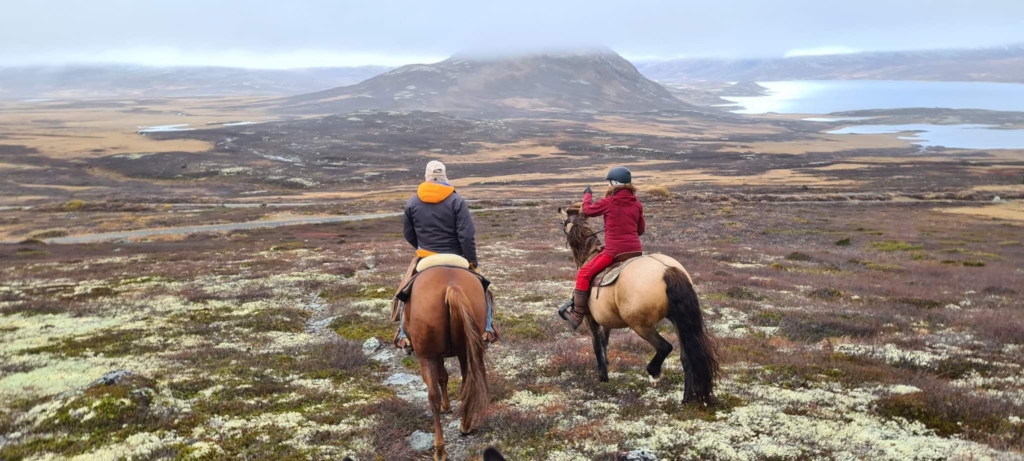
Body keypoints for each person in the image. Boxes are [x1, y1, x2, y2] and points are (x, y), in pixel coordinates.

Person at [393, 161, 496, 351]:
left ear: (426, 176)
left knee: (403, 294)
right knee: (485, 291)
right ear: (444, 176)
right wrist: (472, 262)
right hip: (456, 257)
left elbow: (408, 233)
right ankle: (488, 329)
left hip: (427, 258)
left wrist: (423, 248)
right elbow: (466, 235)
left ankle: (403, 334)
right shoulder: (456, 201)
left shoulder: (413, 202)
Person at [560, 166, 645, 329]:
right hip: (636, 251)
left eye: (609, 182)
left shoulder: (609, 202)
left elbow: (587, 210)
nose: (608, 185)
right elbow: (640, 230)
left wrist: (587, 195)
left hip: (614, 252)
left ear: (614, 183)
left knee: (584, 273)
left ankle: (577, 315)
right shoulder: (637, 204)